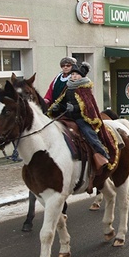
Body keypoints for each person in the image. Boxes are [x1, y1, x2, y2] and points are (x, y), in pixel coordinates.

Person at [48, 61, 113, 191]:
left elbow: (88, 105)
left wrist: (75, 108)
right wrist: (57, 106)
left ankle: (101, 152)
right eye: (72, 75)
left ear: (81, 76)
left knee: (88, 133)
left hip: (81, 118)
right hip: (68, 117)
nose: (74, 77)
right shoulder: (68, 87)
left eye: (76, 75)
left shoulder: (84, 88)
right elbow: (63, 101)